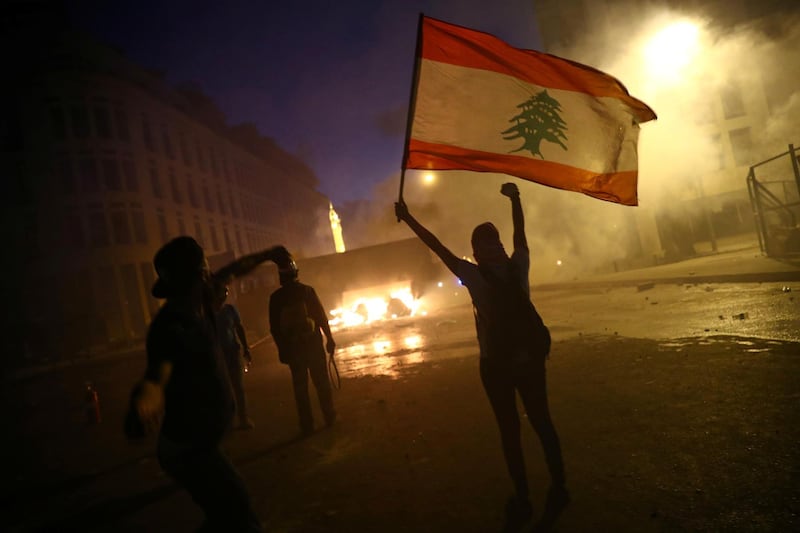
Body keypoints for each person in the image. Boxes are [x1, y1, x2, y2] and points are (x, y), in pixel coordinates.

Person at [395, 183, 568, 531]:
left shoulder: (473, 275)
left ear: (475, 250)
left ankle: (522, 498)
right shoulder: (519, 266)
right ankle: (560, 487)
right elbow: (521, 234)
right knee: (542, 421)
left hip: (496, 365)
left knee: (510, 431)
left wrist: (409, 218)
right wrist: (515, 199)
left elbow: (438, 247)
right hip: (530, 360)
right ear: (500, 244)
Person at [128, 236, 286, 532]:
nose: (215, 282)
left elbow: (237, 268)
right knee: (240, 513)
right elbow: (157, 374)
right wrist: (144, 400)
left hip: (199, 443)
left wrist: (270, 253)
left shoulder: (201, 301)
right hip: (188, 449)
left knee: (225, 517)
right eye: (206, 274)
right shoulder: (173, 326)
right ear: (197, 277)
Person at [269, 252, 337, 437]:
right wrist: (329, 339)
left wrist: (282, 350)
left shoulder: (276, 298)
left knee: (301, 389)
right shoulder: (307, 291)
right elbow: (321, 317)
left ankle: (307, 425)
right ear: (296, 273)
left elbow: (275, 329)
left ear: (281, 276)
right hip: (313, 346)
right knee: (322, 383)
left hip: (293, 350)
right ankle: (329, 416)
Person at [212, 284, 254, 430]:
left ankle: (243, 419)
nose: (222, 297)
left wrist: (246, 347)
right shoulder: (207, 313)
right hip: (216, 357)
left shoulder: (230, 310)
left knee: (238, 388)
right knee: (222, 390)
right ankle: (227, 421)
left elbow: (239, 328)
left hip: (232, 353)